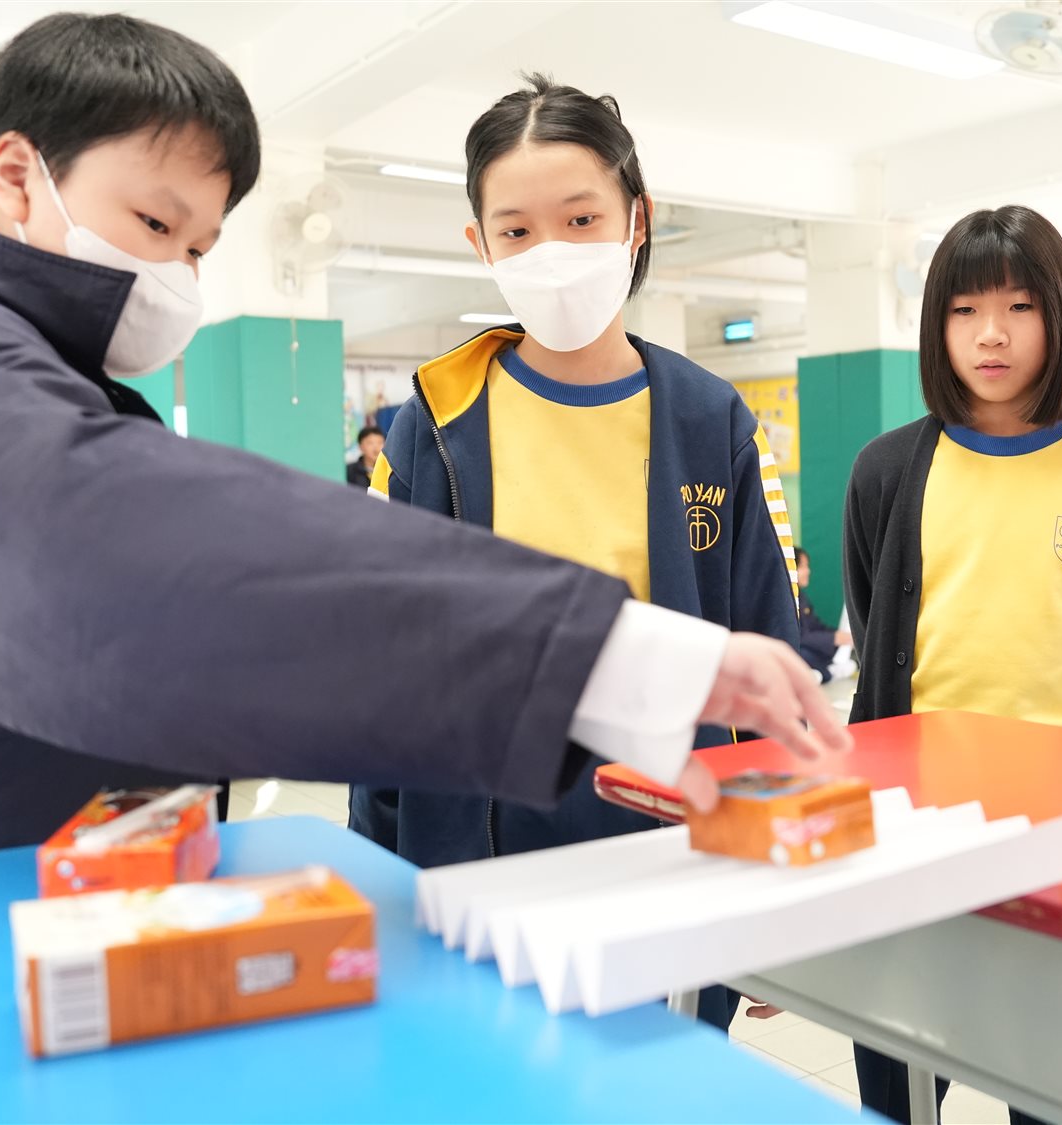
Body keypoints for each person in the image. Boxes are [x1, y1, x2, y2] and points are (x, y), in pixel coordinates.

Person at [0, 13, 847, 877]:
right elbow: (150, 561)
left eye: (200, 248)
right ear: (16, 176)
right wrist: (602, 656)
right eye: (155, 227)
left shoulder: (705, 414)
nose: (177, 277)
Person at [347, 74, 801, 1031]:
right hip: (480, 850)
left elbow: (765, 648)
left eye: (581, 218)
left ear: (638, 220)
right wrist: (376, 864)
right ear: (479, 244)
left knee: (662, 1079)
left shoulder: (708, 419)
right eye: (516, 230)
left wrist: (779, 880)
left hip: (671, 841)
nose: (550, 252)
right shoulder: (436, 424)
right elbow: (387, 669)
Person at [841, 205, 1062, 1125]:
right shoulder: (886, 471)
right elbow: (875, 636)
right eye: (965, 310)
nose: (991, 333)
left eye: (1020, 306)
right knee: (900, 1066)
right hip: (915, 813)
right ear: (936, 324)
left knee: (1058, 1069)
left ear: (1060, 315)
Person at [791, 547, 850, 682]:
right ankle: (825, 673)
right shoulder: (788, 598)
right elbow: (801, 636)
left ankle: (823, 672)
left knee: (830, 652)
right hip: (797, 649)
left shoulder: (802, 596)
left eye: (807, 566)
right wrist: (833, 638)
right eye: (803, 566)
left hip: (808, 648)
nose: (808, 571)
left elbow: (815, 625)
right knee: (804, 655)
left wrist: (838, 635)